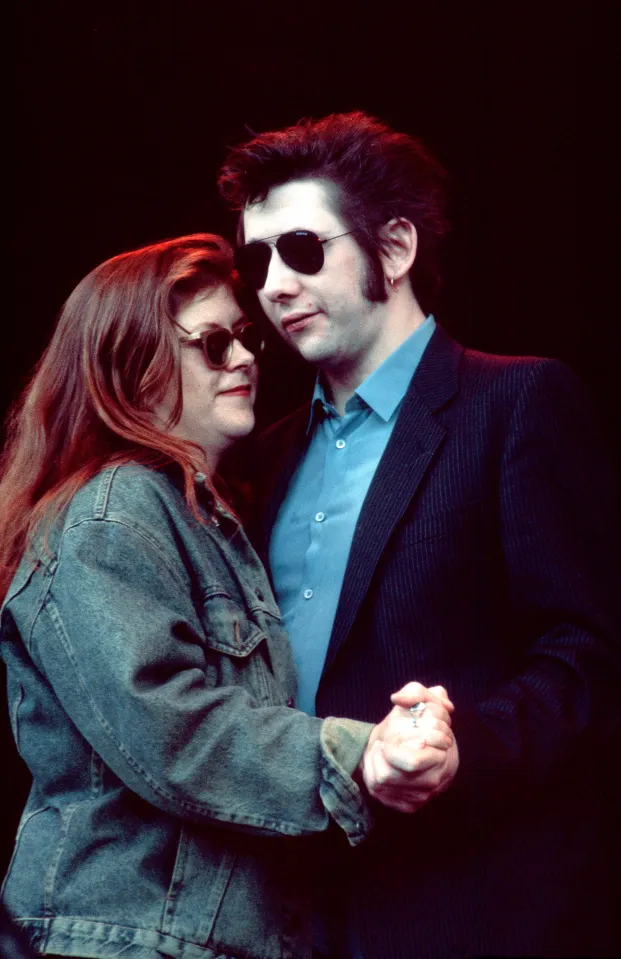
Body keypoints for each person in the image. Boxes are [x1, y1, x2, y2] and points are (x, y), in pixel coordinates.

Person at [218, 113, 621, 958]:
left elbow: (589, 656)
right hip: (287, 913)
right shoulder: (263, 451)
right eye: (255, 260)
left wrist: (455, 750)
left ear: (394, 248)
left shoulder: (515, 404)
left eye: (300, 248)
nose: (272, 285)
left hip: (461, 909)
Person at [0, 233, 457, 959]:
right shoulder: (112, 510)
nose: (246, 357)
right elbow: (171, 731)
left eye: (243, 338)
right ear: (132, 365)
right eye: (213, 345)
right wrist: (356, 751)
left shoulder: (200, 513)